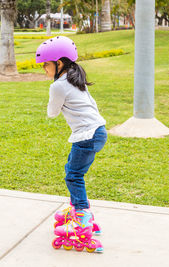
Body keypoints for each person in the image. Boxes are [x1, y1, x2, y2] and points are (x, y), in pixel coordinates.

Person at [36, 36, 106, 253]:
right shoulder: (77, 81)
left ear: (59, 64)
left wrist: (53, 95)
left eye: (46, 65)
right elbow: (92, 105)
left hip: (86, 135)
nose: (44, 70)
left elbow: (52, 113)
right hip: (98, 131)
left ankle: (82, 215)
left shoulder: (59, 86)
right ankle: (77, 207)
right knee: (72, 169)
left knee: (73, 175)